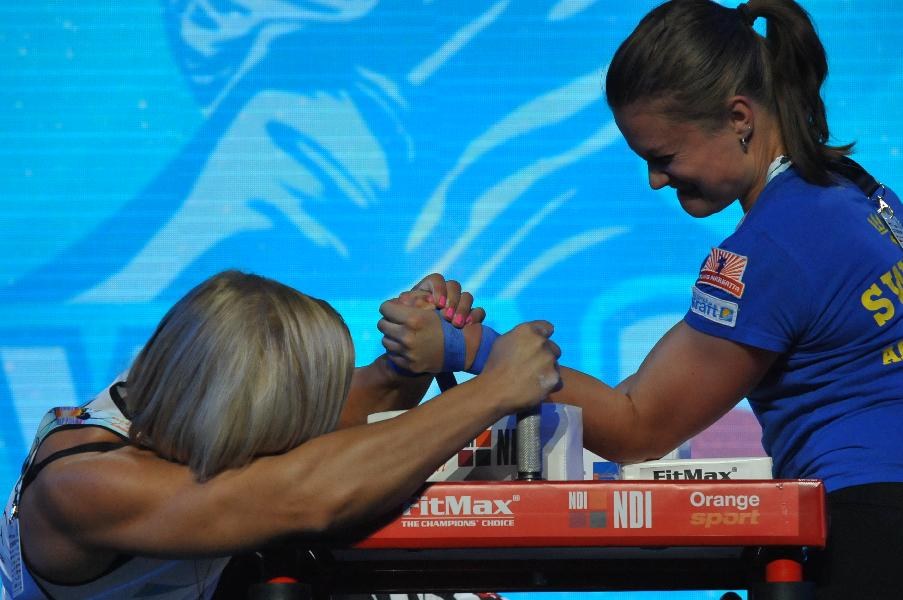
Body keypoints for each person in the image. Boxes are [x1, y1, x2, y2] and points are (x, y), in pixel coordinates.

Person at [378, 1, 903, 598]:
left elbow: (638, 424)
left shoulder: (773, 246)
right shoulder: (857, 193)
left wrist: (468, 345)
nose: (655, 180)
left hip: (871, 530)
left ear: (739, 118)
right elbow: (649, 390)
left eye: (663, 157)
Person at [0, 269, 560, 599]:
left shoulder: (185, 386)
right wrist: (493, 389)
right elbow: (309, 496)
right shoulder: (87, 487)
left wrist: (406, 362)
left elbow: (351, 408)